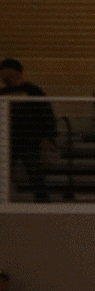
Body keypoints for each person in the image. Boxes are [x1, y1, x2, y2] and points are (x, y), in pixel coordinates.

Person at [1, 59, 56, 202]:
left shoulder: (33, 91)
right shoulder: (3, 92)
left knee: (35, 174)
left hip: (29, 140)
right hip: (8, 140)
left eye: (4, 69)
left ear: (14, 71)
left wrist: (48, 137)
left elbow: (46, 113)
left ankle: (43, 203)